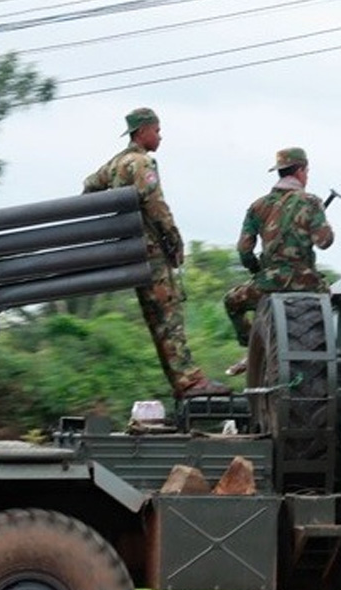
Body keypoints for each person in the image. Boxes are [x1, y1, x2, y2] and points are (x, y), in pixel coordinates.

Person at [83, 107, 229, 399]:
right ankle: (189, 382)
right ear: (143, 131)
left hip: (129, 252)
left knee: (155, 318)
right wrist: (174, 241)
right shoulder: (141, 163)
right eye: (157, 130)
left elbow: (89, 187)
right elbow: (156, 206)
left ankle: (181, 383)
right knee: (169, 316)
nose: (160, 136)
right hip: (151, 253)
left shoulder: (115, 164)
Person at [223, 147, 334, 375]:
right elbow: (324, 242)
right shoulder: (311, 202)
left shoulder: (258, 206)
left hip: (268, 284)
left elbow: (244, 250)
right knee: (334, 303)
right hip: (307, 283)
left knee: (232, 302)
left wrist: (258, 271)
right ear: (301, 171)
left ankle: (254, 347)